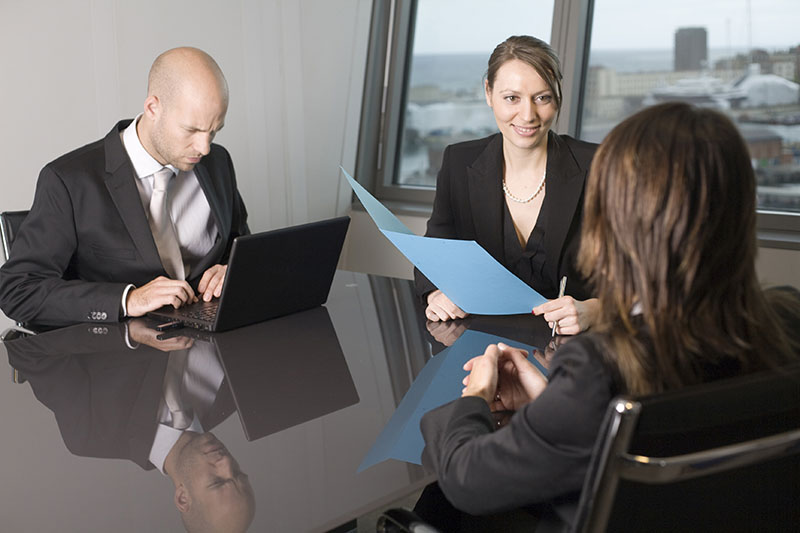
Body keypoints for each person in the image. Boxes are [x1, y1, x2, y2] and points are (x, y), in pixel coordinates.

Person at [417, 102, 800, 530]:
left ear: (616, 223)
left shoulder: (599, 369)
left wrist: (477, 397)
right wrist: (551, 406)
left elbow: (468, 480)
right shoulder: (789, 319)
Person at [0, 47, 249, 326]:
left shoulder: (218, 162)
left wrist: (232, 270)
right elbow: (18, 290)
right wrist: (128, 299)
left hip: (212, 340)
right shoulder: (68, 181)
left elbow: (240, 246)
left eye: (214, 131)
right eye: (191, 130)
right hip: (122, 355)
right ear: (153, 108)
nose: (204, 147)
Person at [415, 35, 599, 335]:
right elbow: (433, 253)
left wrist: (596, 310)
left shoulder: (600, 164)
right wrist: (435, 293)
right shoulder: (458, 161)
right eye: (512, 98)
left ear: (558, 97)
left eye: (542, 98)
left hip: (574, 350)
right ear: (488, 93)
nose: (528, 115)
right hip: (482, 345)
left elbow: (646, 275)